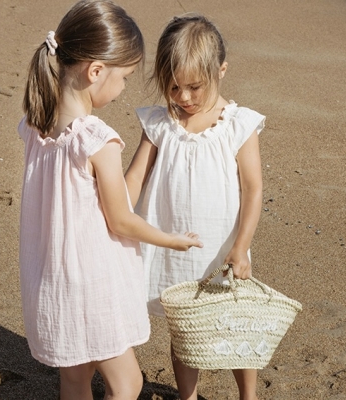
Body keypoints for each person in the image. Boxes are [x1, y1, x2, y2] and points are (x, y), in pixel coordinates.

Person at [18, 2, 203, 400]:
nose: (122, 89)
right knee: (127, 383)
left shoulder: (35, 127)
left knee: (75, 379)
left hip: (52, 279)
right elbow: (120, 220)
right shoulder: (95, 138)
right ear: (96, 71)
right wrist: (172, 239)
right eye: (124, 77)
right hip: (92, 283)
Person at [125, 13, 265, 400]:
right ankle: (187, 396)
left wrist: (241, 246)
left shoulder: (239, 124)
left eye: (194, 87)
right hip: (170, 244)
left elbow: (253, 188)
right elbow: (134, 177)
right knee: (183, 327)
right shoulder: (159, 122)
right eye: (173, 87)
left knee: (238, 322)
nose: (183, 97)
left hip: (223, 247)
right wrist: (112, 210)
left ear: (221, 70)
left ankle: (248, 395)